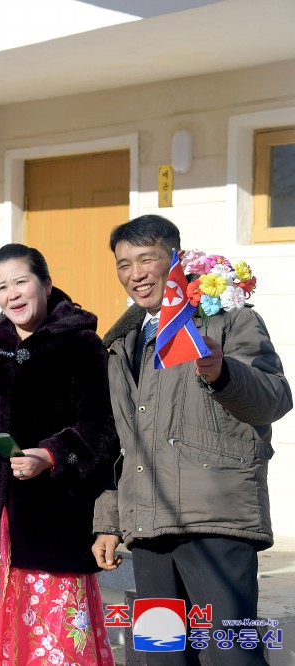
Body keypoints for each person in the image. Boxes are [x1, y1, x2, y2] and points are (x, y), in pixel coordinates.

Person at [92, 215, 292, 666]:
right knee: (161, 657)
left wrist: (224, 373)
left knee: (230, 656)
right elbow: (120, 441)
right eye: (124, 264)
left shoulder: (228, 320)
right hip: (148, 532)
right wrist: (108, 520)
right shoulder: (121, 344)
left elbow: (274, 399)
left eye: (148, 258)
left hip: (215, 523)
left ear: (176, 260)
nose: (136, 273)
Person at [0, 243, 118, 665]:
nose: (12, 294)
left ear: (46, 285)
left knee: (56, 648)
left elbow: (104, 426)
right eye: (1, 286)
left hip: (56, 527)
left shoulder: (83, 346)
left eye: (21, 282)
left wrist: (51, 454)